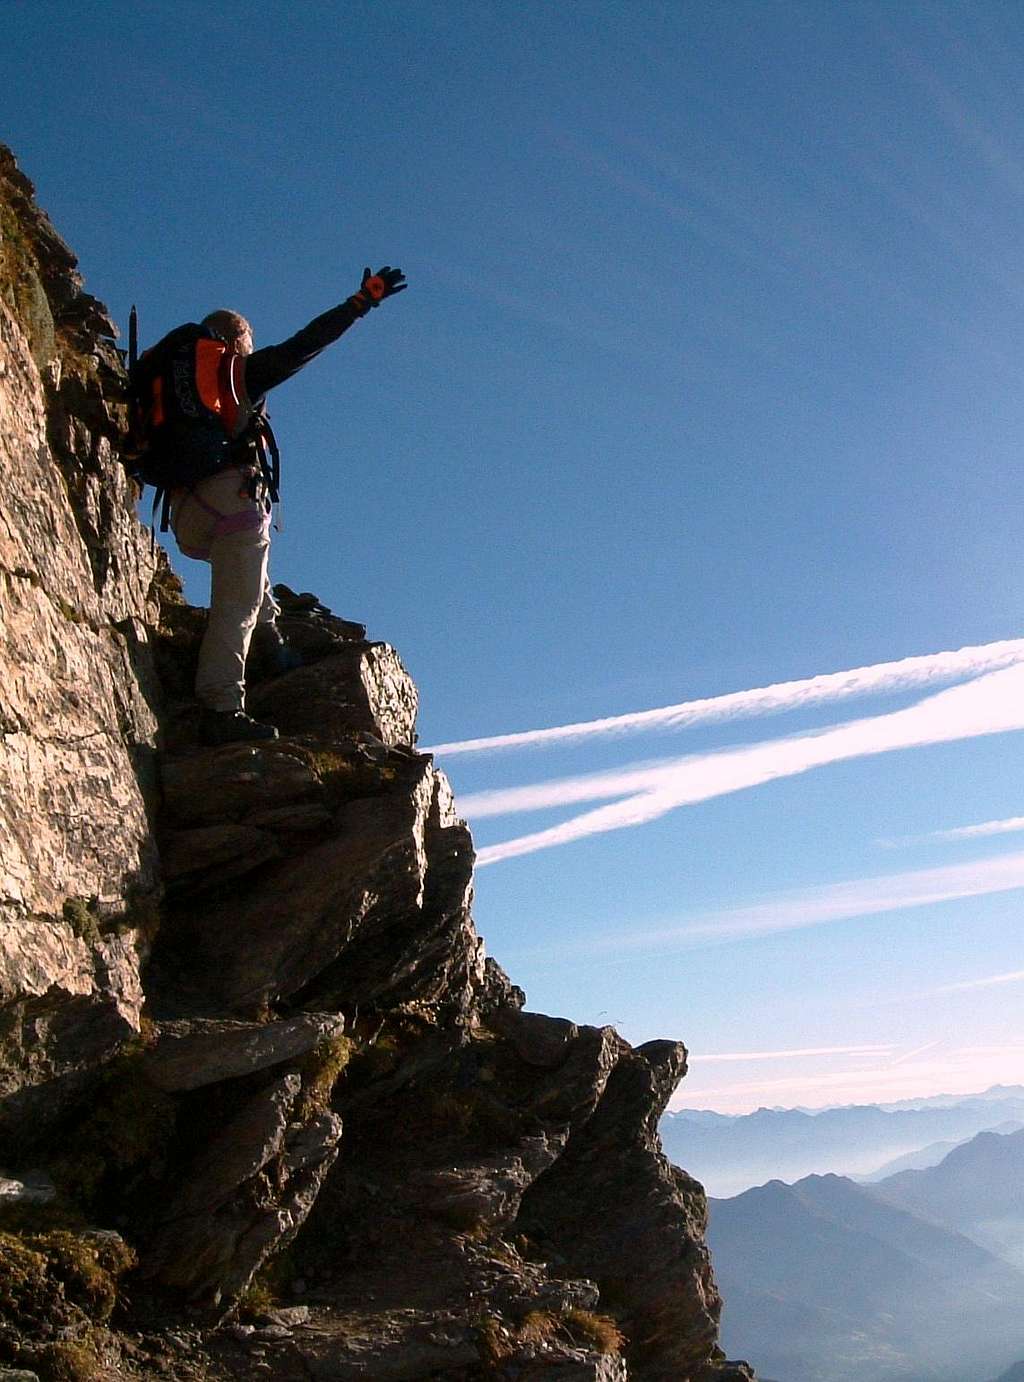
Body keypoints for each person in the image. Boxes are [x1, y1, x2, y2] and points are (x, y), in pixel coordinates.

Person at [168, 266, 407, 746]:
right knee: (236, 606)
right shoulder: (240, 374)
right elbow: (306, 343)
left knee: (249, 582)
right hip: (231, 501)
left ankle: (271, 640)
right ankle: (221, 705)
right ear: (239, 342)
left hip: (182, 514)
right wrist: (360, 302)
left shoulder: (173, 381)